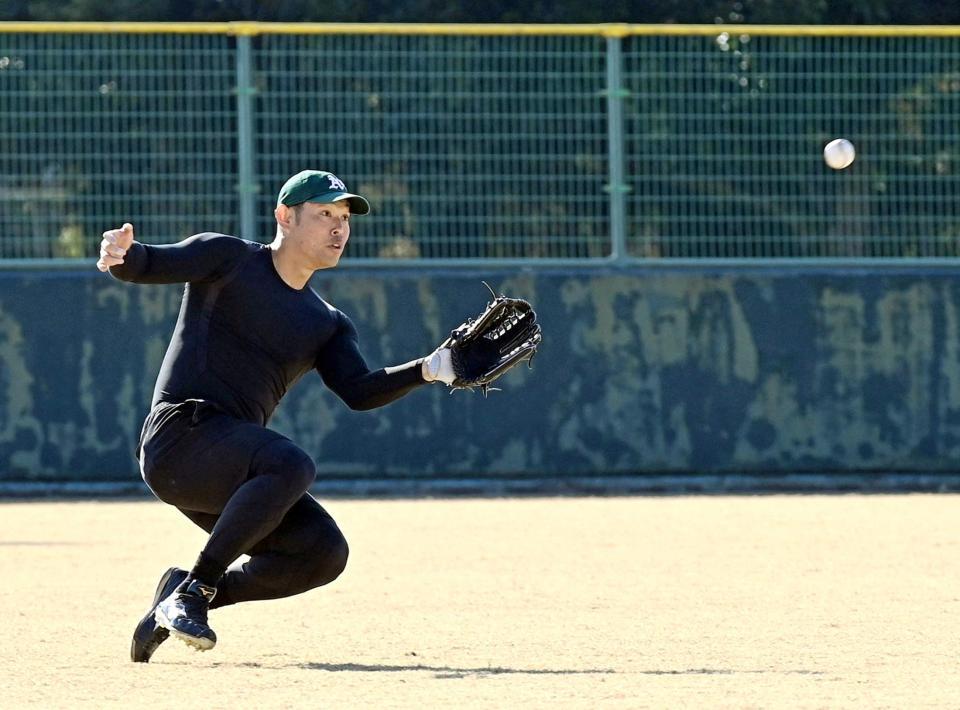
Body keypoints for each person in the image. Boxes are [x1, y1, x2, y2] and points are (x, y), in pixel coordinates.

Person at [98, 170, 457, 662]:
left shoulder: (327, 322)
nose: (339, 228)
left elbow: (360, 391)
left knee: (321, 553)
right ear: (285, 217)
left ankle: (181, 593)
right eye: (325, 214)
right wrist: (121, 255)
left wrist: (434, 368)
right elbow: (149, 262)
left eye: (345, 217)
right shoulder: (229, 259)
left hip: (233, 471)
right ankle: (194, 592)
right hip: (178, 441)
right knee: (290, 465)